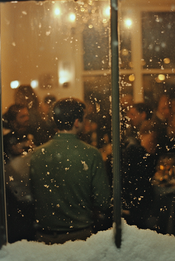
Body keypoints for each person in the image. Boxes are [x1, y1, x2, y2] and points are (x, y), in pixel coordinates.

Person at [30, 98, 111, 244]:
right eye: (85, 118)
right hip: (80, 237)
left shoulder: (37, 154)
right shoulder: (91, 154)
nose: (86, 121)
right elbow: (103, 201)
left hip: (45, 238)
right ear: (76, 122)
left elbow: (30, 195)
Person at [2, 104, 36, 243]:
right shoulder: (6, 139)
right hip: (15, 191)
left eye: (27, 115)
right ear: (13, 120)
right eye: (22, 116)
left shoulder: (34, 132)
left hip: (32, 188)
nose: (26, 118)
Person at [122, 120, 158, 230]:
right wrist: (151, 156)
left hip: (129, 202)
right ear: (142, 135)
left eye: (155, 141)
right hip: (135, 205)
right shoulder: (136, 151)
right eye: (151, 140)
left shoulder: (131, 146)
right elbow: (143, 180)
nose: (153, 144)